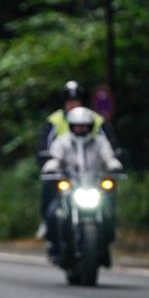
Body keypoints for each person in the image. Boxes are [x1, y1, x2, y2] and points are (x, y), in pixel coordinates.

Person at [41, 107, 122, 264]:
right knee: (52, 214)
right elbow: (55, 158)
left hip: (94, 186)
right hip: (71, 188)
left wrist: (114, 164)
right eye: (77, 126)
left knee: (109, 213)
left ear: (90, 126)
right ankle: (56, 247)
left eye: (84, 126)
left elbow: (109, 156)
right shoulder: (63, 141)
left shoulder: (100, 141)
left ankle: (104, 246)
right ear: (71, 126)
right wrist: (51, 166)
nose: (80, 129)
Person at [35, 80, 116, 238]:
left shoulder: (96, 120)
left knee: (110, 190)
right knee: (49, 190)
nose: (73, 105)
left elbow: (109, 147)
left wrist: (113, 162)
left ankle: (109, 222)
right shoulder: (55, 121)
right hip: (64, 172)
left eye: (76, 101)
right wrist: (49, 164)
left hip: (93, 173)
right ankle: (46, 222)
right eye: (70, 102)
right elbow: (44, 145)